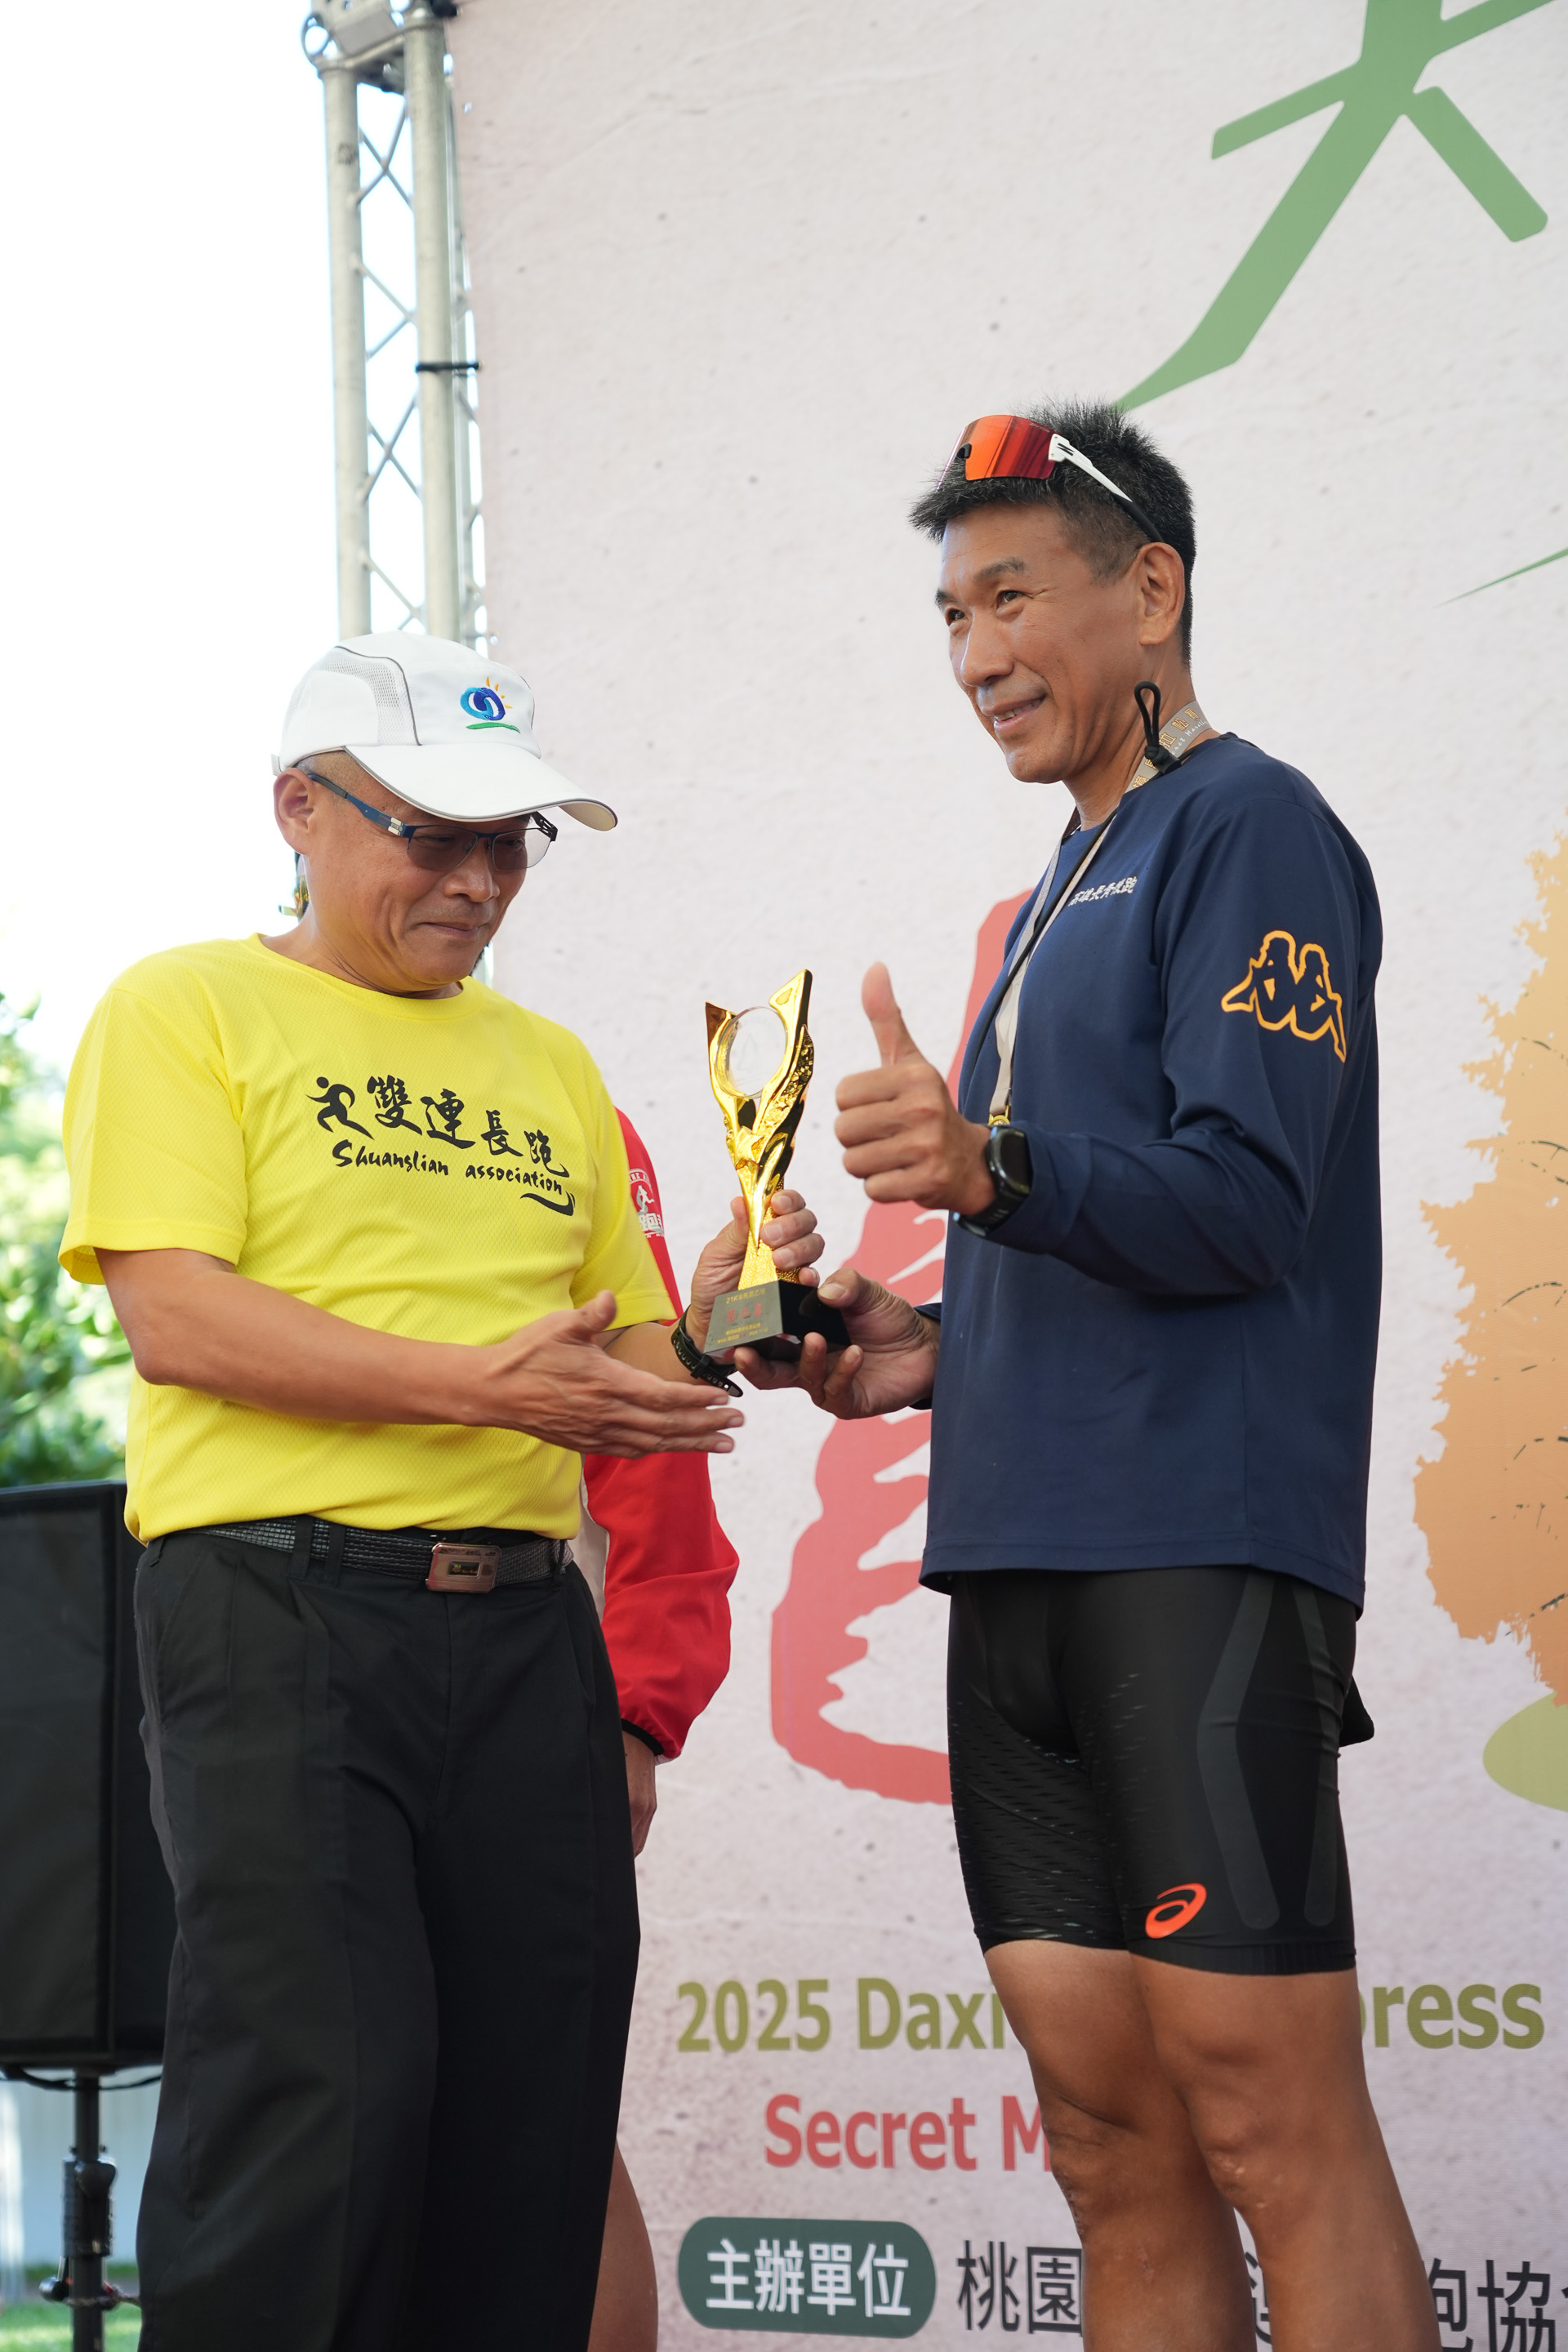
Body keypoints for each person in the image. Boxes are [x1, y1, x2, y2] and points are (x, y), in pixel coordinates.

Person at [737, 406, 1437, 2350]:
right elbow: (1079, 1231)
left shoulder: (1252, 824)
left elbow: (1247, 1203)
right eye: (953, 616)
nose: (978, 653)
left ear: (1152, 592)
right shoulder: (1069, 873)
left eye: (1013, 596)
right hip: (1017, 1569)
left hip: (1193, 1558)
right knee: (1108, 2139)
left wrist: (986, 1172)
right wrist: (916, 1348)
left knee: (1270, 2122)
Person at [59, 631, 820, 2352]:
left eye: (510, 842)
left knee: (533, 2115)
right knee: (321, 2107)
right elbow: (178, 1319)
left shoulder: (547, 1065)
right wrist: (484, 1388)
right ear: (299, 811)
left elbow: (628, 1370)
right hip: (277, 1611)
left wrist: (727, 1318)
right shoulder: (186, 1006)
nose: (476, 880)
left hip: (527, 1636)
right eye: (431, 833)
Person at [581, 1112, 740, 2352]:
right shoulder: (228, 1046)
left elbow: (651, 1430)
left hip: (526, 1680)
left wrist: (637, 1710)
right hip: (285, 1654)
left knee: (536, 2113)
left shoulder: (552, 1088)